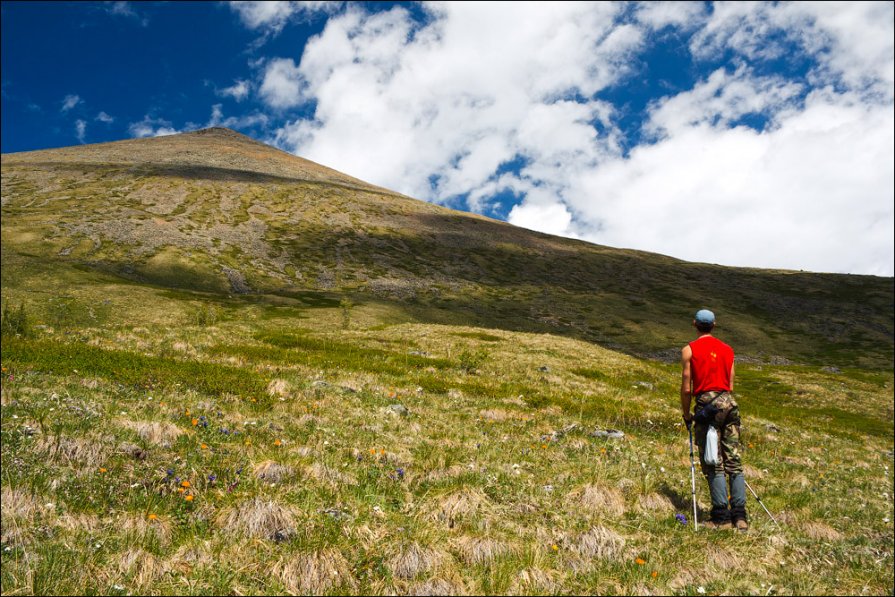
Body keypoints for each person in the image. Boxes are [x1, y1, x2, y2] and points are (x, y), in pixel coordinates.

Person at [680, 309, 748, 531]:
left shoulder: (689, 350)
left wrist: (687, 413)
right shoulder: (728, 350)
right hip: (730, 404)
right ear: (714, 325)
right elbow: (730, 382)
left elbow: (686, 385)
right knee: (733, 460)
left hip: (707, 407)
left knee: (713, 461)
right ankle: (740, 516)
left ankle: (721, 516)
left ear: (694, 324)